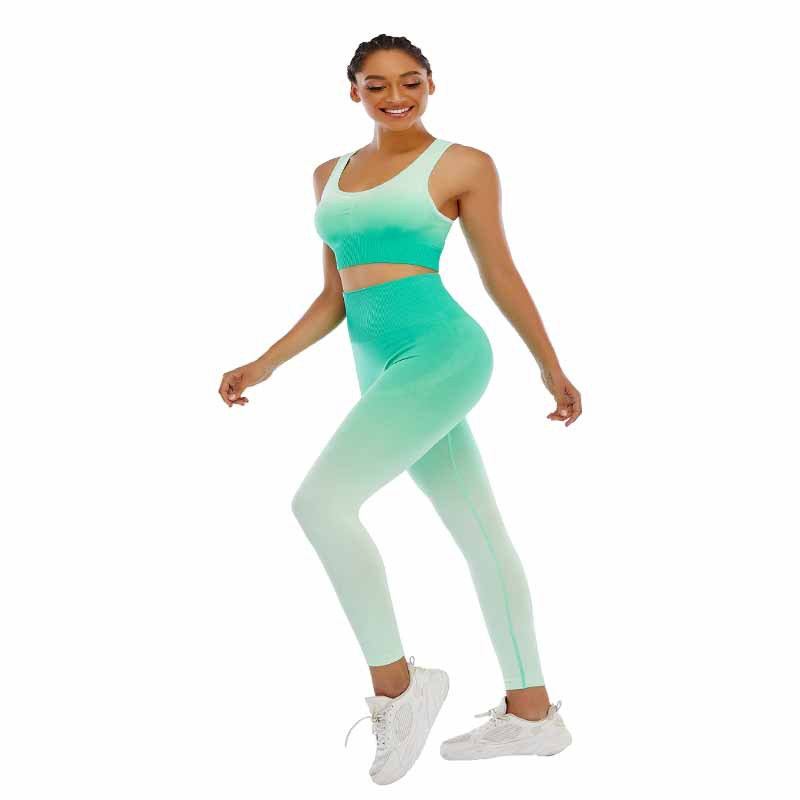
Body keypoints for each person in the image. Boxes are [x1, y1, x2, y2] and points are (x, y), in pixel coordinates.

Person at [218, 34, 582, 785]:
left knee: (320, 503)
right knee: (478, 529)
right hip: (376, 364)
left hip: (443, 353)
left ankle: (400, 689)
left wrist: (550, 366)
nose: (395, 96)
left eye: (410, 81)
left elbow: (499, 270)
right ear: (353, 90)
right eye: (377, 84)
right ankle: (533, 715)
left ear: (431, 85)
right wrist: (266, 362)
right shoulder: (328, 174)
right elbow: (335, 296)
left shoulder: (462, 164)